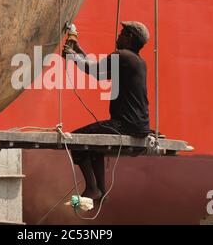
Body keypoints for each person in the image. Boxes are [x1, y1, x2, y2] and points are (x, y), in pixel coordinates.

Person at [62, 21, 151, 201]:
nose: (118, 36)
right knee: (95, 148)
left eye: (122, 33)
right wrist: (79, 52)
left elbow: (96, 72)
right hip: (139, 125)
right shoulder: (137, 61)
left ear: (130, 37)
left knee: (76, 139)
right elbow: (103, 70)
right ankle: (100, 191)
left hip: (124, 124)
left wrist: (71, 57)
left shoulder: (122, 56)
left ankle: (93, 189)